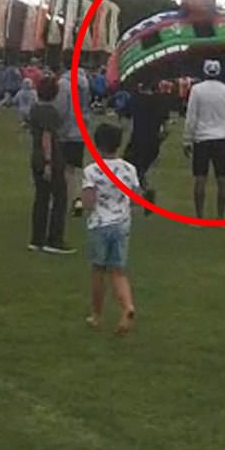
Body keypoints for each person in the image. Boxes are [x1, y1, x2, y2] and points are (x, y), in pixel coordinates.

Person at [82, 123, 140, 334]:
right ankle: (127, 306)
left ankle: (96, 315)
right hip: (121, 224)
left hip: (99, 224)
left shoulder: (92, 170)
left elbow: (88, 202)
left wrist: (80, 207)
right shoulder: (129, 168)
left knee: (98, 270)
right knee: (118, 271)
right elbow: (135, 199)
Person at [183, 59, 225, 219]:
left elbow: (191, 116)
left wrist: (187, 139)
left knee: (200, 178)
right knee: (222, 179)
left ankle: (199, 216)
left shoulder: (197, 90)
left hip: (202, 138)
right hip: (222, 138)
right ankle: (221, 217)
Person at [28, 76, 75, 254]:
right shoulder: (50, 112)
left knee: (41, 198)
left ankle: (37, 239)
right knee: (60, 198)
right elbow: (47, 137)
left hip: (36, 157)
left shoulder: (35, 109)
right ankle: (54, 239)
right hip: (50, 157)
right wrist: (48, 162)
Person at [123, 82, 169, 211]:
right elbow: (166, 128)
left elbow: (125, 116)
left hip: (137, 139)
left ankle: (137, 195)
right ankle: (145, 192)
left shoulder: (136, 99)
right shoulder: (160, 101)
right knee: (140, 169)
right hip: (153, 141)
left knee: (130, 167)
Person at [54, 63, 91, 217]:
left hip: (66, 131)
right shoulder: (84, 81)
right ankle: (78, 200)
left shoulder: (63, 84)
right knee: (75, 168)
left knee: (62, 169)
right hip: (80, 129)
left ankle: (63, 202)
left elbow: (61, 108)